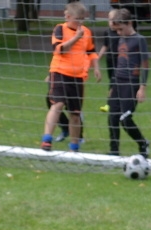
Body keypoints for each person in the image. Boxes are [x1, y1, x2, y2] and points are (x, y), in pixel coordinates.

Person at [40, 2, 102, 152]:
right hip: (59, 72)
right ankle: (47, 140)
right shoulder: (60, 29)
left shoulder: (86, 32)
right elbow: (59, 49)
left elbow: (91, 51)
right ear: (67, 17)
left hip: (78, 77)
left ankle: (74, 146)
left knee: (75, 113)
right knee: (58, 104)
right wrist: (76, 38)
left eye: (82, 19)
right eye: (77, 19)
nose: (80, 22)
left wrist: (96, 68)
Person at [100, 8, 149, 157]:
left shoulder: (139, 40)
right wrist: (113, 85)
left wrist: (142, 87)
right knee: (112, 116)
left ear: (129, 23)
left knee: (125, 118)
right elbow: (119, 63)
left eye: (121, 29)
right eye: (117, 30)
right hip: (118, 83)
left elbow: (145, 65)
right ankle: (114, 150)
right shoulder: (120, 38)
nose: (119, 32)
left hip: (131, 83)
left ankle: (143, 143)